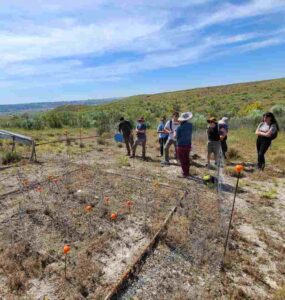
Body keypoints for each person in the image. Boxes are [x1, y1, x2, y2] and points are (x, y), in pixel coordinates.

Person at [175, 112, 193, 178]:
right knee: (187, 159)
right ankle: (187, 172)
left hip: (181, 145)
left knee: (182, 160)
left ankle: (185, 173)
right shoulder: (190, 125)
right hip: (188, 145)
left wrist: (175, 131)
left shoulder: (179, 128)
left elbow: (176, 137)